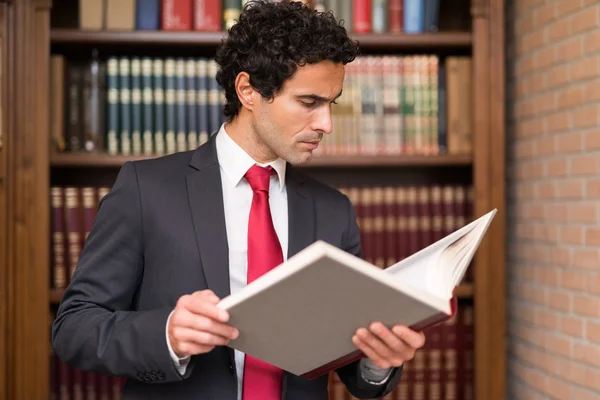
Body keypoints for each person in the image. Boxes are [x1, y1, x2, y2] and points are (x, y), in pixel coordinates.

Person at [51, 1, 426, 399]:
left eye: (331, 103)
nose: (326, 124)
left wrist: (377, 362)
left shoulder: (333, 211)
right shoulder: (146, 189)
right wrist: (167, 335)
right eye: (309, 102)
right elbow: (74, 328)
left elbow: (351, 363)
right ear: (247, 90)